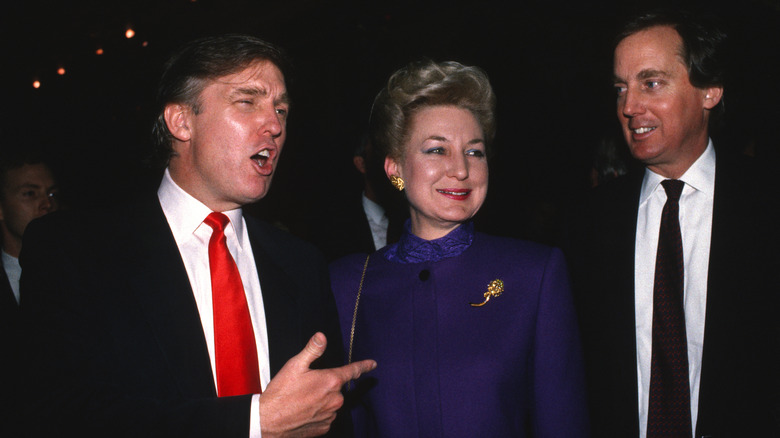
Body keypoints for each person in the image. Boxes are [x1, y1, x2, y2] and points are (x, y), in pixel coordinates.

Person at [19, 34, 375, 438]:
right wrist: (254, 423)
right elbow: (60, 416)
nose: (275, 125)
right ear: (181, 121)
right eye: (248, 101)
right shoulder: (74, 251)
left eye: (281, 109)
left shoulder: (301, 263)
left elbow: (326, 416)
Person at [329, 59, 589, 437]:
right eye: (437, 150)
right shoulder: (347, 283)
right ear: (394, 169)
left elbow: (563, 423)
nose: (461, 169)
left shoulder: (534, 273)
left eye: (474, 151)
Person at [565, 10, 780, 437]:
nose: (628, 106)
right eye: (621, 88)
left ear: (710, 90)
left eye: (651, 83)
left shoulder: (767, 204)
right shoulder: (586, 224)